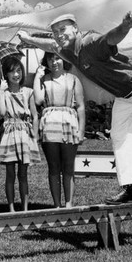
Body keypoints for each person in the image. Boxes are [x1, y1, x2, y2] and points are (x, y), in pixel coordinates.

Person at [18, 13, 132, 205]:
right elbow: (50, 45)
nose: (58, 35)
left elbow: (110, 38)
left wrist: (125, 26)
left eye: (63, 29)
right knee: (120, 137)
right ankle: (129, 189)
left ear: (75, 29)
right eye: (55, 32)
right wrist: (28, 39)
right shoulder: (67, 50)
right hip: (125, 96)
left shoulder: (90, 43)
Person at [33, 52, 85, 208]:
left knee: (68, 167)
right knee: (54, 167)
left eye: (57, 58)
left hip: (69, 124)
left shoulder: (73, 80)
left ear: (64, 59)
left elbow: (81, 107)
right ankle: (56, 205)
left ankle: (68, 204)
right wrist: (37, 77)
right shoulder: (43, 80)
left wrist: (81, 130)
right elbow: (38, 100)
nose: (54, 62)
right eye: (50, 59)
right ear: (46, 62)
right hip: (49, 125)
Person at [0, 56, 40, 212]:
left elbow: (35, 114)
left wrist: (36, 135)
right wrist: (1, 92)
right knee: (10, 173)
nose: (16, 75)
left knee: (23, 174)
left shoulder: (28, 92)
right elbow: (2, 112)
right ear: (5, 74)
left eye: (19, 70)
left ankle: (25, 209)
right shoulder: (2, 92)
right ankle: (11, 208)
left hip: (25, 133)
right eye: (12, 71)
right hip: (9, 133)